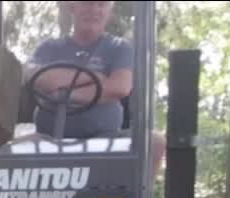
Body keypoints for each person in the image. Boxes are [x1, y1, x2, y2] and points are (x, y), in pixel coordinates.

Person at [25, 0, 164, 176]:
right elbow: (41, 80)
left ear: (109, 10)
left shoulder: (118, 48)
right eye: (87, 3)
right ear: (73, 6)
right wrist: (96, 78)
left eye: (101, 4)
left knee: (155, 142)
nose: (94, 10)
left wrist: (63, 93)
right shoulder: (50, 48)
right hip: (48, 139)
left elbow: (119, 87)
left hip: (104, 139)